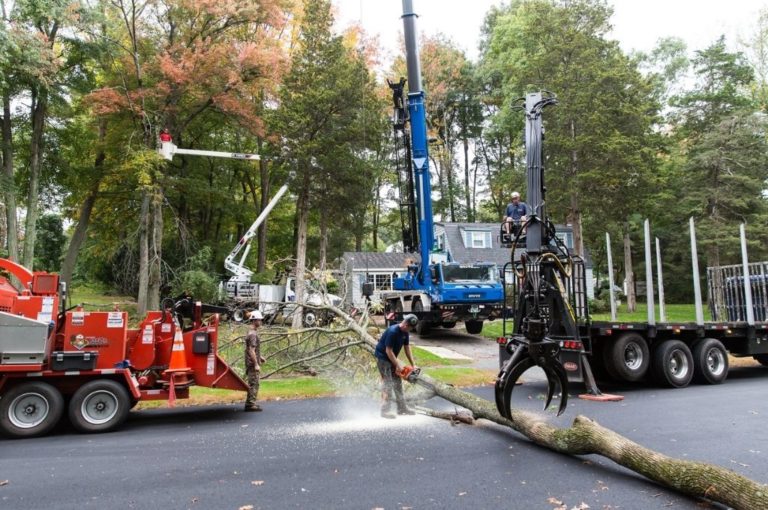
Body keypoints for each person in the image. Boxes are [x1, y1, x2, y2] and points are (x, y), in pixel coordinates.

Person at [374, 314, 419, 419]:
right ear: (405, 323)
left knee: (398, 383)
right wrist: (398, 365)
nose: (407, 328)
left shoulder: (405, 333)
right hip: (383, 359)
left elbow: (407, 348)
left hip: (391, 359)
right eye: (407, 326)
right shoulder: (392, 331)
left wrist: (413, 365)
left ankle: (402, 408)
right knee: (388, 384)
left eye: (409, 327)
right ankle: (384, 411)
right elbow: (388, 351)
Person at [244, 310, 267, 412]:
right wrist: (256, 364)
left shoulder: (251, 332)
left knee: (254, 382)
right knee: (254, 383)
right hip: (252, 364)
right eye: (259, 320)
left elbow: (253, 349)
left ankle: (250, 403)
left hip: (251, 362)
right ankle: (250, 404)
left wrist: (260, 357)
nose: (261, 322)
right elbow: (251, 350)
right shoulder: (253, 334)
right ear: (254, 321)